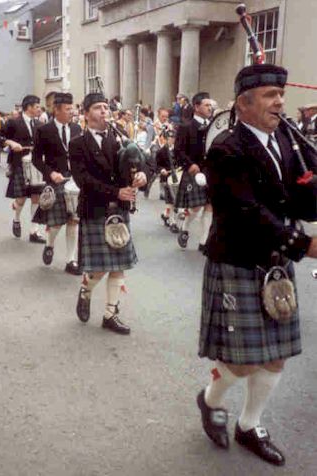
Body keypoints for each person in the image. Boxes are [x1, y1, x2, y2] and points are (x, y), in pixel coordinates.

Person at [197, 63, 317, 466]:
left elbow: (297, 195)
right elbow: (245, 213)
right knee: (241, 361)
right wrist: (304, 244)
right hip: (239, 259)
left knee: (276, 354)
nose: (280, 101)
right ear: (243, 104)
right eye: (269, 95)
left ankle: (250, 424)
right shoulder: (226, 149)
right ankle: (210, 399)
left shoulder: (285, 137)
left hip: (275, 261)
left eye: (281, 93)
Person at [69, 92, 148, 335]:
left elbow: (141, 163)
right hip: (96, 209)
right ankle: (86, 289)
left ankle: (110, 314)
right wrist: (116, 192)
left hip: (120, 211)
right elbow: (83, 180)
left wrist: (142, 175)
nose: (104, 111)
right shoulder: (78, 144)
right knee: (101, 268)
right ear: (86, 114)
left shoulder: (119, 140)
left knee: (118, 266)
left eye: (106, 107)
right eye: (98, 108)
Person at [33, 92, 82, 274]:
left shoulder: (77, 129)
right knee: (56, 223)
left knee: (73, 221)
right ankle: (49, 244)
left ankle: (70, 261)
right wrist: (51, 173)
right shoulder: (44, 130)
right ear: (57, 110)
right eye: (68, 109)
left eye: (73, 108)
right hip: (56, 181)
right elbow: (37, 159)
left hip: (74, 181)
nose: (72, 112)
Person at [3, 95, 46, 243]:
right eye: (37, 107)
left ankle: (34, 231)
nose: (39, 109)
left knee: (36, 198)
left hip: (35, 164)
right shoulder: (14, 123)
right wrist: (11, 142)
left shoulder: (40, 125)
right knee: (21, 199)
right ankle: (16, 219)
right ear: (28, 107)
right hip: (20, 163)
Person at [174, 92, 213, 251]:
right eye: (206, 105)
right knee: (196, 207)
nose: (210, 108)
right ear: (196, 107)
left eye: (211, 105)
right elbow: (178, 151)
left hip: (210, 171)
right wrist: (189, 165)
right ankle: (185, 228)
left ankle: (204, 242)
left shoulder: (213, 126)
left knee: (210, 205)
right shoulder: (186, 126)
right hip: (193, 171)